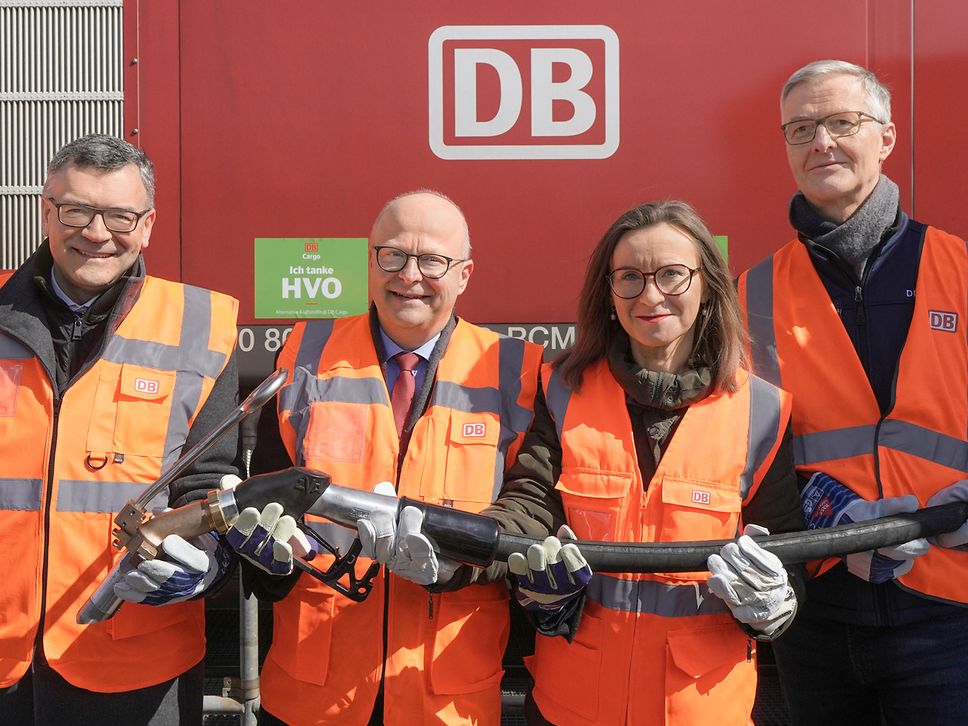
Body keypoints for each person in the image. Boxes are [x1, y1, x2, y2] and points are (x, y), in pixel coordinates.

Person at [428, 200, 806, 725]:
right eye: (629, 277)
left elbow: (788, 550)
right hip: (571, 708)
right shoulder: (563, 390)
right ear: (608, 294)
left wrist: (774, 606)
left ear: (707, 286)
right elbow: (529, 505)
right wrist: (460, 546)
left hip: (702, 712)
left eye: (672, 275)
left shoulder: (762, 411)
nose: (650, 295)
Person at [238, 190, 544, 725]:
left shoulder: (516, 372)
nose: (410, 275)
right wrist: (266, 555)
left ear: (465, 274)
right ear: (370, 261)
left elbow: (529, 516)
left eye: (433, 261)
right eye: (394, 255)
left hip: (447, 697)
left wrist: (453, 564)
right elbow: (267, 496)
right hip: (312, 695)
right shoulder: (304, 354)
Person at [738, 59, 968, 724]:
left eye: (842, 122)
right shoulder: (751, 295)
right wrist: (824, 510)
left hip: (951, 611)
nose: (821, 142)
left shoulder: (959, 271)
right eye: (801, 128)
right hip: (817, 615)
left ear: (886, 138)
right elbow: (742, 456)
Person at [0, 134, 241, 725]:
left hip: (135, 659)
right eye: (77, 211)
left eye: (120, 216)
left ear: (149, 224)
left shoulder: (203, 326)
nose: (97, 233)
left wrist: (204, 559)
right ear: (47, 211)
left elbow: (209, 481)